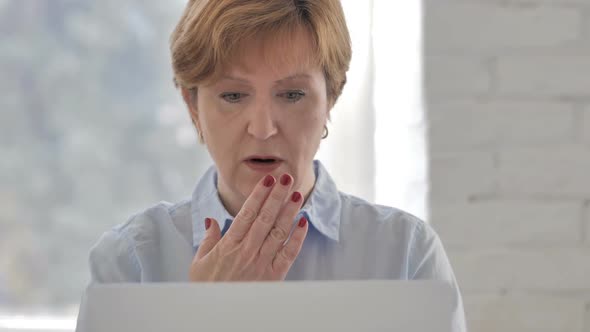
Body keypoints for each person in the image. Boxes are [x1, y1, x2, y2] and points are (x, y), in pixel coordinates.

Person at [81, 0, 466, 330]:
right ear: (191, 106)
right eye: (232, 95)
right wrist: (203, 317)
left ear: (331, 98)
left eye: (293, 94)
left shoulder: (405, 255)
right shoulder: (131, 262)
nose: (263, 128)